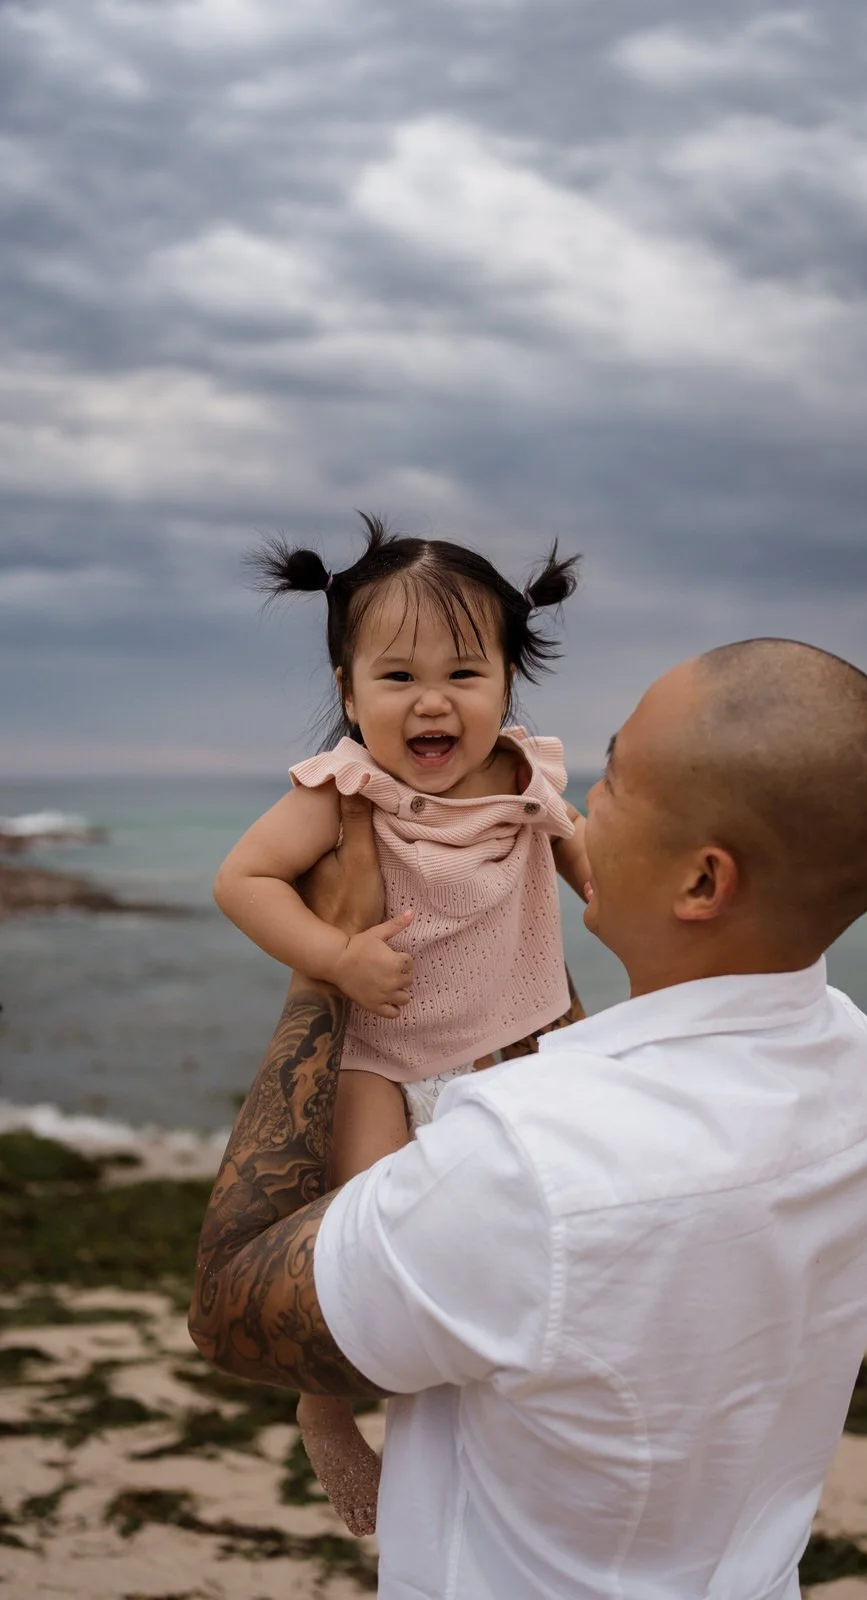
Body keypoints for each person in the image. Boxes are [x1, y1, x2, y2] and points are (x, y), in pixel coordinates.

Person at [190, 637, 867, 1600]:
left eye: (615, 778)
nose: (579, 807)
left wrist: (321, 972)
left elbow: (233, 1304)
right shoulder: (861, 1069)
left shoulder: (528, 1166)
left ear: (701, 882)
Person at [212, 515, 590, 1532]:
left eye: (465, 672)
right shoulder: (344, 791)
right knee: (362, 1232)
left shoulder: (528, 780)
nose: (432, 701)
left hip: (511, 1047)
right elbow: (241, 880)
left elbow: (591, 867)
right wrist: (334, 955)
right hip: (379, 1058)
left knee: (517, 1232)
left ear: (508, 683)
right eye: (396, 678)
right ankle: (325, 1405)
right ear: (347, 693)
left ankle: (495, 1395)